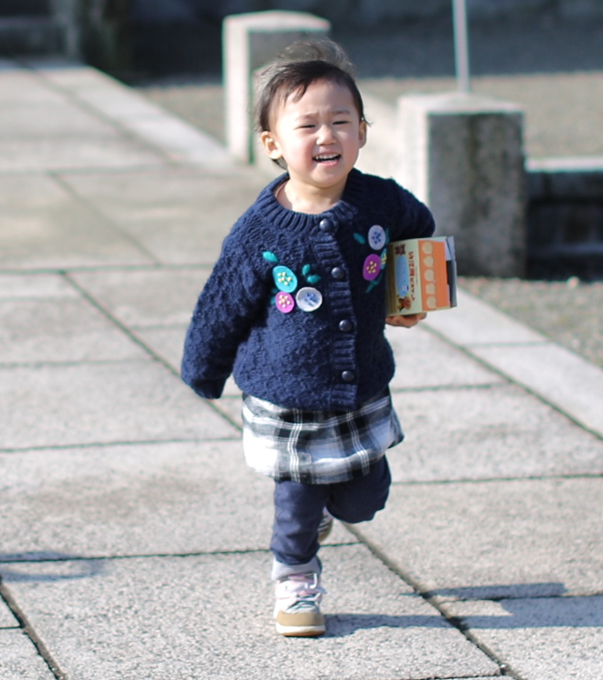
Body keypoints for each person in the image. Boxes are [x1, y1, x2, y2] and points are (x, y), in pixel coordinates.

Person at [181, 39, 434, 638]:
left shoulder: (379, 200)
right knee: (297, 501)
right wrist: (204, 371)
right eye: (308, 126)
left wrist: (409, 295)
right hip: (286, 394)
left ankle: (326, 513)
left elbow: (419, 228)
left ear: (363, 132)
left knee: (365, 500)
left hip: (360, 387)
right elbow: (222, 306)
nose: (327, 136)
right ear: (273, 144)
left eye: (341, 122)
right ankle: (295, 578)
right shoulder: (260, 233)